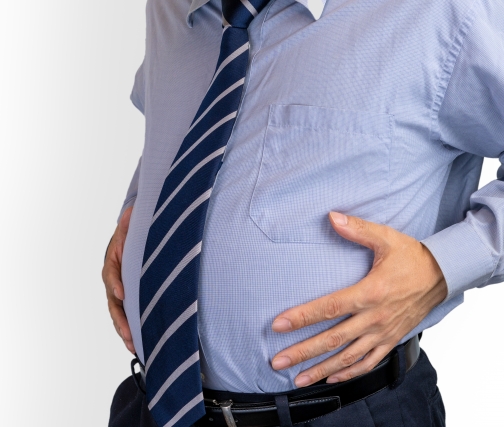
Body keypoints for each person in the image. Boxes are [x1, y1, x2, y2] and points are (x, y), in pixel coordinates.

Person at [102, 0, 504, 425]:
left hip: (343, 413)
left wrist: (440, 268)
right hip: (150, 407)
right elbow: (178, 122)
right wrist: (142, 214)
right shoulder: (170, 7)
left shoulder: (443, 10)